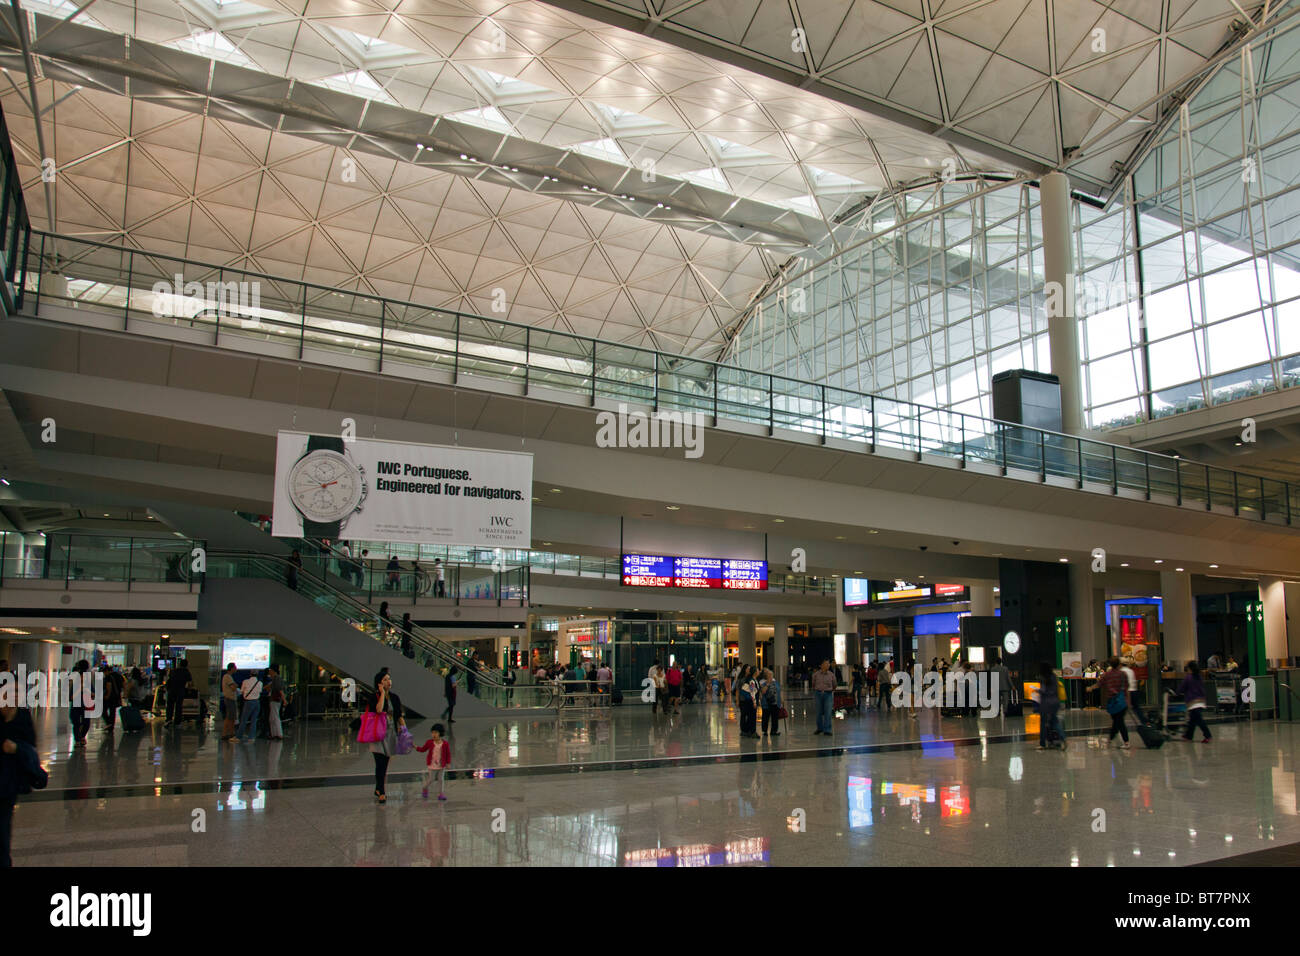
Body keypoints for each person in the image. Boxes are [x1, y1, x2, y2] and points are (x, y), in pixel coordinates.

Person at [1, 698, 40, 867]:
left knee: (2, 834)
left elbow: (31, 745)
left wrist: (16, 748)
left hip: (7, 785)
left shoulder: (22, 715)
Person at [367, 670, 405, 804]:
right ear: (379, 683)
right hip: (377, 734)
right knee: (380, 763)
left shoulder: (395, 698)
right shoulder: (374, 697)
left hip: (390, 734)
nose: (388, 681)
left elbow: (399, 715)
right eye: (385, 680)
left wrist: (404, 730)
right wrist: (382, 693)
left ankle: (378, 787)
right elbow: (378, 710)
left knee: (385, 763)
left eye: (389, 679)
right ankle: (382, 791)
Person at [1088, 657, 1130, 749]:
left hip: (1112, 702)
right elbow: (1127, 687)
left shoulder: (1107, 675)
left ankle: (1123, 741)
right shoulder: (1123, 674)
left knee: (1118, 721)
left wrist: (1090, 688)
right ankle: (1114, 740)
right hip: (1122, 701)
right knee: (1118, 721)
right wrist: (1128, 701)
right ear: (1119, 664)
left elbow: (1099, 684)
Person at [1177, 662, 1213, 743]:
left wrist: (1177, 693)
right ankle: (1188, 736)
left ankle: (1208, 735)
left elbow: (1182, 688)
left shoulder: (1188, 677)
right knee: (1193, 720)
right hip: (1201, 700)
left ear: (1189, 668)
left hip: (1193, 701)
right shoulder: (1199, 677)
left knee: (1199, 720)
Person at [416, 722, 451, 800]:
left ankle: (440, 794)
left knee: (440, 779)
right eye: (432, 733)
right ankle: (425, 788)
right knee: (431, 779)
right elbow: (423, 749)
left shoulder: (445, 744)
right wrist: (416, 747)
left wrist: (448, 763)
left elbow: (448, 754)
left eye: (435, 732)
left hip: (441, 765)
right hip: (431, 765)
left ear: (440, 733)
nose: (433, 734)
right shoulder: (429, 742)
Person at [1036, 661, 1066, 750]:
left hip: (1046, 703)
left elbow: (1043, 690)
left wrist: (1037, 691)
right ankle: (1063, 738)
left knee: (1043, 723)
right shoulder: (1054, 677)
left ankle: (1042, 743)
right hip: (1055, 702)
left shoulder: (1043, 678)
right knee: (1055, 722)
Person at [236, 669, 264, 742]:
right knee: (254, 720)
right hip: (257, 702)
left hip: (248, 702)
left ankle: (239, 736)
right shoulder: (260, 683)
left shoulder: (245, 682)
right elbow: (260, 691)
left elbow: (241, 691)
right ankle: (251, 737)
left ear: (250, 674)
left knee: (244, 719)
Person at [164, 657, 192, 728]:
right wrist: (189, 690)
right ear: (187, 665)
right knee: (178, 706)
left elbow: (169, 679)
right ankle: (177, 722)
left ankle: (168, 719)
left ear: (179, 664)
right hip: (180, 690)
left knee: (170, 705)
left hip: (171, 690)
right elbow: (189, 683)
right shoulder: (186, 672)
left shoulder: (174, 670)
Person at [811, 659, 835, 735]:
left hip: (828, 694)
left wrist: (830, 690)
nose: (828, 665)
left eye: (828, 664)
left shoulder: (831, 674)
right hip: (818, 694)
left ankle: (827, 729)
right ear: (821, 665)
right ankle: (819, 728)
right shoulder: (815, 675)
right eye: (826, 664)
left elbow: (834, 684)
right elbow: (813, 684)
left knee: (828, 712)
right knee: (818, 712)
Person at [737, 666, 760, 738]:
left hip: (752, 700)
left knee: (751, 716)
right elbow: (752, 692)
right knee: (752, 716)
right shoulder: (752, 681)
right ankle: (752, 731)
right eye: (758, 670)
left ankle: (751, 731)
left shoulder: (754, 680)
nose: (759, 671)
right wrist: (754, 702)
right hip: (751, 701)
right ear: (755, 672)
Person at [1120, 658, 1144, 724]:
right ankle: (1143, 721)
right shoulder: (1131, 671)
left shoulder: (1121, 671)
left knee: (1121, 709)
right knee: (1136, 708)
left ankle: (1119, 723)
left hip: (1126, 692)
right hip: (1134, 691)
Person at [100, 665, 122, 736]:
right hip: (116, 696)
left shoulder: (108, 677)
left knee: (103, 710)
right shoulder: (118, 675)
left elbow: (109, 686)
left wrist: (107, 695)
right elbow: (124, 684)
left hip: (109, 697)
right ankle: (111, 726)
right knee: (113, 711)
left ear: (106, 671)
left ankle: (109, 723)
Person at [760, 667, 782, 737]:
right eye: (769, 675)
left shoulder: (776, 683)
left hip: (775, 703)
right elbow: (763, 691)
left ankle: (774, 731)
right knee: (765, 717)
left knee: (775, 718)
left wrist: (781, 700)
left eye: (771, 675)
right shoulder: (764, 683)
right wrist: (767, 684)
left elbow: (779, 691)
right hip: (766, 703)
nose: (770, 676)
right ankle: (765, 731)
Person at [220, 662, 240, 740]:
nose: (236, 669)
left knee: (232, 717)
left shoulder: (228, 677)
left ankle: (231, 733)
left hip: (230, 699)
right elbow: (233, 688)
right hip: (230, 699)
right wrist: (235, 686)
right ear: (231, 668)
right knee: (229, 717)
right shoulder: (227, 677)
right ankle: (225, 733)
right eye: (235, 667)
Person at [266, 664, 286, 740]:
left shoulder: (276, 679)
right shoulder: (275, 678)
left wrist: (284, 700)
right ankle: (274, 733)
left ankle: (278, 734)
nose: (269, 672)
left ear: (273, 670)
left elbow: (280, 690)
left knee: (275, 717)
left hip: (275, 699)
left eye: (270, 670)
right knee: (272, 717)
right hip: (275, 699)